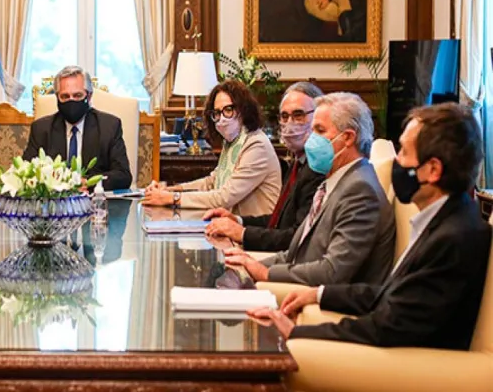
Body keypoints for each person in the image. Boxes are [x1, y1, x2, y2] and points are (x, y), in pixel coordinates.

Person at [250, 103, 491, 350]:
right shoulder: (443, 219)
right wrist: (318, 294)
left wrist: (298, 332)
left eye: (404, 152)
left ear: (432, 170)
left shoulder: (454, 237)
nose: (396, 161)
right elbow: (389, 293)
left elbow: (388, 326)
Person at [224, 92, 395, 286]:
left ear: (347, 137)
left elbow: (332, 272)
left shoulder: (361, 191)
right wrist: (250, 264)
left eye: (320, 131)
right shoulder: (334, 181)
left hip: (325, 301)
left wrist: (265, 273)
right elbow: (296, 253)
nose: (311, 139)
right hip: (299, 280)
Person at [204, 82, 325, 251]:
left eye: (299, 115)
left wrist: (242, 233)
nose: (290, 124)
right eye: (284, 116)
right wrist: (237, 220)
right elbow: (279, 221)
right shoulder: (299, 164)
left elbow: (299, 237)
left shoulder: (319, 169)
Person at [143, 80, 282, 216]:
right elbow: (211, 182)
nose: (221, 119)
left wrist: (172, 198)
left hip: (254, 233)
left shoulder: (256, 145)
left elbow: (224, 197)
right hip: (229, 226)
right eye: (216, 113)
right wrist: (169, 190)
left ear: (243, 109)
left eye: (228, 110)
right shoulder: (232, 142)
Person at [22, 66, 131, 190]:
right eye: (65, 97)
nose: (71, 101)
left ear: (89, 96)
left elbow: (123, 176)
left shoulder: (109, 126)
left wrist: (89, 182)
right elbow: (26, 173)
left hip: (94, 204)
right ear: (57, 98)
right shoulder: (41, 129)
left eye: (77, 95)